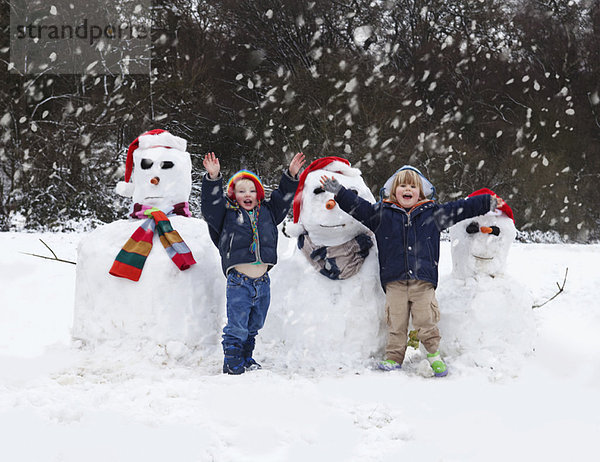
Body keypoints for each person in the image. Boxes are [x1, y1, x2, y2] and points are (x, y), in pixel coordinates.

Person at [320, 165, 502, 377]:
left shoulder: (433, 214)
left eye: (413, 186)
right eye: (402, 185)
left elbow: (459, 208)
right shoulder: (381, 214)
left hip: (422, 281)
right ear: (394, 191)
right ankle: (394, 356)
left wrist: (484, 201)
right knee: (396, 322)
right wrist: (340, 193)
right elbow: (360, 208)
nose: (408, 189)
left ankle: (433, 355)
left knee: (426, 320)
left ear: (421, 192)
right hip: (394, 281)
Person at [201, 152, 306, 374]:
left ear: (259, 195)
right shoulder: (226, 215)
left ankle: (246, 357)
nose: (246, 194)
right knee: (237, 324)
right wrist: (213, 177)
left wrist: (291, 175)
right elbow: (211, 205)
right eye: (241, 191)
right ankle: (232, 361)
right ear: (233, 195)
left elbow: (284, 196)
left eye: (251, 191)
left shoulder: (268, 212)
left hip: (263, 281)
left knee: (254, 324)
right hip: (239, 281)